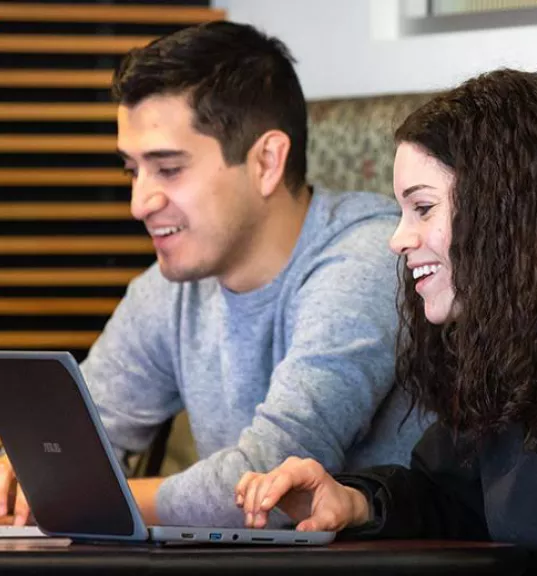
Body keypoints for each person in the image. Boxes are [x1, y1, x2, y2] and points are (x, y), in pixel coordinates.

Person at [0, 21, 428, 528]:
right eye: (132, 170)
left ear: (267, 161)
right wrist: (18, 469)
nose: (139, 204)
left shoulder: (370, 259)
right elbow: (64, 441)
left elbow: (267, 484)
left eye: (169, 168)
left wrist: (68, 495)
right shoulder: (170, 287)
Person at [236, 68, 537, 569]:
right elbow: (448, 497)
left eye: (422, 207)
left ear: (510, 211)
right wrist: (356, 503)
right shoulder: (510, 355)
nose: (397, 239)